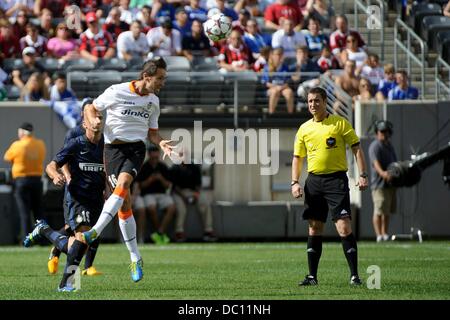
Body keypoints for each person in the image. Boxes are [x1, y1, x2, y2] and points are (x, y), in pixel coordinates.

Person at [81, 57, 176, 283]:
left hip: (135, 149)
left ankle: (95, 230)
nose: (162, 83)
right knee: (124, 204)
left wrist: (160, 142)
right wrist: (94, 121)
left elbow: (152, 131)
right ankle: (135, 256)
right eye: (160, 79)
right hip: (112, 150)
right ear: (146, 77)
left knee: (123, 185)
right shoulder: (116, 91)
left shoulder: (153, 101)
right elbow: (91, 107)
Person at [23, 103, 105, 292]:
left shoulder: (106, 146)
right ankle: (67, 284)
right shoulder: (76, 142)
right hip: (77, 198)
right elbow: (51, 165)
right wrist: (57, 175)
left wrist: (110, 188)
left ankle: (45, 230)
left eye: (100, 116)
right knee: (83, 239)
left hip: (96, 200)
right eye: (94, 116)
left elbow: (109, 169)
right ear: (84, 123)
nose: (98, 119)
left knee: (79, 243)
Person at [291, 86, 368, 286]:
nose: (313, 105)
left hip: (336, 181)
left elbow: (357, 149)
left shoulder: (340, 123)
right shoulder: (304, 129)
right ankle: (312, 276)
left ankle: (354, 276)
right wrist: (295, 182)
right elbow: (297, 158)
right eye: (309, 101)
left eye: (317, 101)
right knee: (314, 228)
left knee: (343, 227)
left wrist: (362, 174)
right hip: (314, 182)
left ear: (325, 102)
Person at [3, 122, 46, 240]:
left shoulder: (17, 145)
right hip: (37, 180)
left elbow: (7, 157)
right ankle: (42, 238)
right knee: (39, 212)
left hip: (21, 181)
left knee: (24, 212)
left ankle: (26, 238)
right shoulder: (40, 144)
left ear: (21, 132)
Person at [133, 145, 176, 245]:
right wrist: (150, 180)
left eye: (156, 157)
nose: (154, 160)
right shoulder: (144, 167)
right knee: (151, 208)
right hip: (148, 195)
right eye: (153, 158)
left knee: (172, 207)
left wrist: (160, 178)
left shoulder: (163, 167)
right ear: (149, 155)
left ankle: (159, 232)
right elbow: (140, 186)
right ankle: (159, 233)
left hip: (162, 194)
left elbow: (168, 185)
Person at [170, 158, 217, 242]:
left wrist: (196, 195)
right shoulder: (174, 168)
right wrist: (184, 197)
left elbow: (198, 184)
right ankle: (179, 232)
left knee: (205, 203)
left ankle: (208, 231)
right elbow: (174, 187)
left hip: (193, 191)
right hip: (179, 193)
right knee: (181, 209)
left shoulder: (194, 167)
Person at [368, 120, 397, 243]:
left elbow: (394, 162)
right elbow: (375, 163)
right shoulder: (375, 146)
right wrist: (383, 174)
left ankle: (385, 233)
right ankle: (378, 234)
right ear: (377, 132)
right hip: (379, 183)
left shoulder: (389, 145)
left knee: (387, 210)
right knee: (379, 209)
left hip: (390, 183)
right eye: (381, 131)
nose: (384, 134)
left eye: (386, 131)